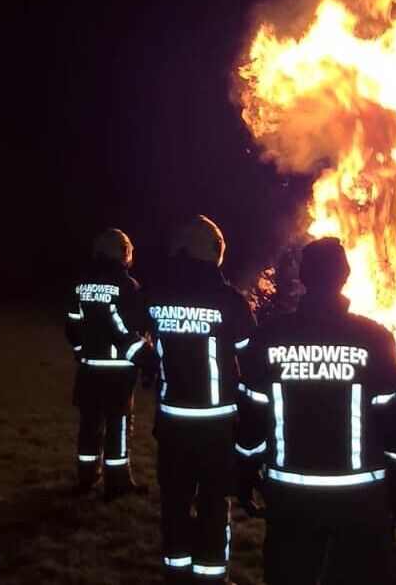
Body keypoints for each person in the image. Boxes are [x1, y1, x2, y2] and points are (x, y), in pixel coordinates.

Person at [235, 237, 396, 585]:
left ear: (303, 276)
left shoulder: (271, 335)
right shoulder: (374, 338)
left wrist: (245, 471)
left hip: (290, 495)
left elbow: (252, 414)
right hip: (360, 498)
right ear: (345, 275)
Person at [137, 216, 256, 584]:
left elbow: (121, 324)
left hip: (171, 422)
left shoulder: (156, 294)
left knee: (174, 501)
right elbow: (250, 355)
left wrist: (143, 357)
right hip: (217, 426)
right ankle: (211, 576)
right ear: (215, 253)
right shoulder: (230, 300)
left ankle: (176, 574)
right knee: (214, 503)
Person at [65, 228, 150, 498]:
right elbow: (133, 329)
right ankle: (118, 481)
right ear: (124, 253)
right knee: (118, 425)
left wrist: (81, 351)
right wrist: (147, 358)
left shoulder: (81, 285)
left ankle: (87, 476)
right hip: (118, 371)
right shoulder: (128, 287)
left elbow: (73, 325)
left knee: (89, 424)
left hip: (88, 368)